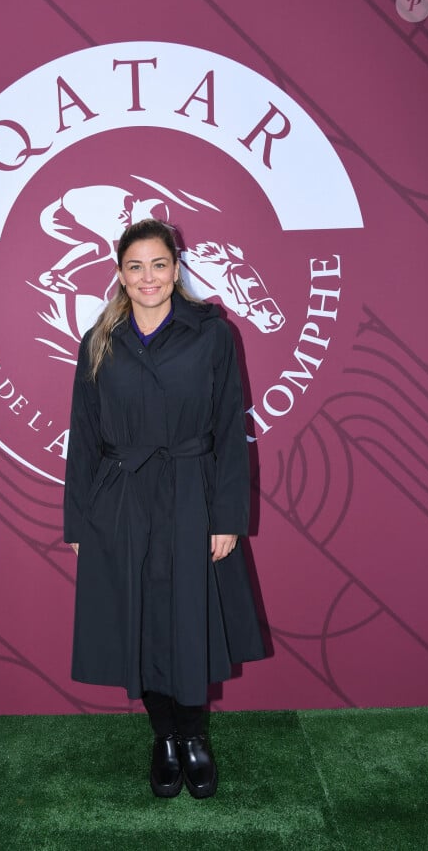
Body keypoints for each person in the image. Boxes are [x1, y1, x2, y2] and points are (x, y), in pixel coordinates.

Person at [64, 218, 265, 799]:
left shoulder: (211, 334)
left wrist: (227, 517)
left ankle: (194, 738)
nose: (148, 277)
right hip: (121, 499)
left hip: (191, 494)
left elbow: (230, 428)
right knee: (141, 624)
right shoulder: (100, 340)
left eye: (159, 264)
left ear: (176, 269)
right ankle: (163, 739)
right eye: (135, 266)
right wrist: (78, 520)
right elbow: (84, 433)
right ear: (120, 276)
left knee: (188, 620)